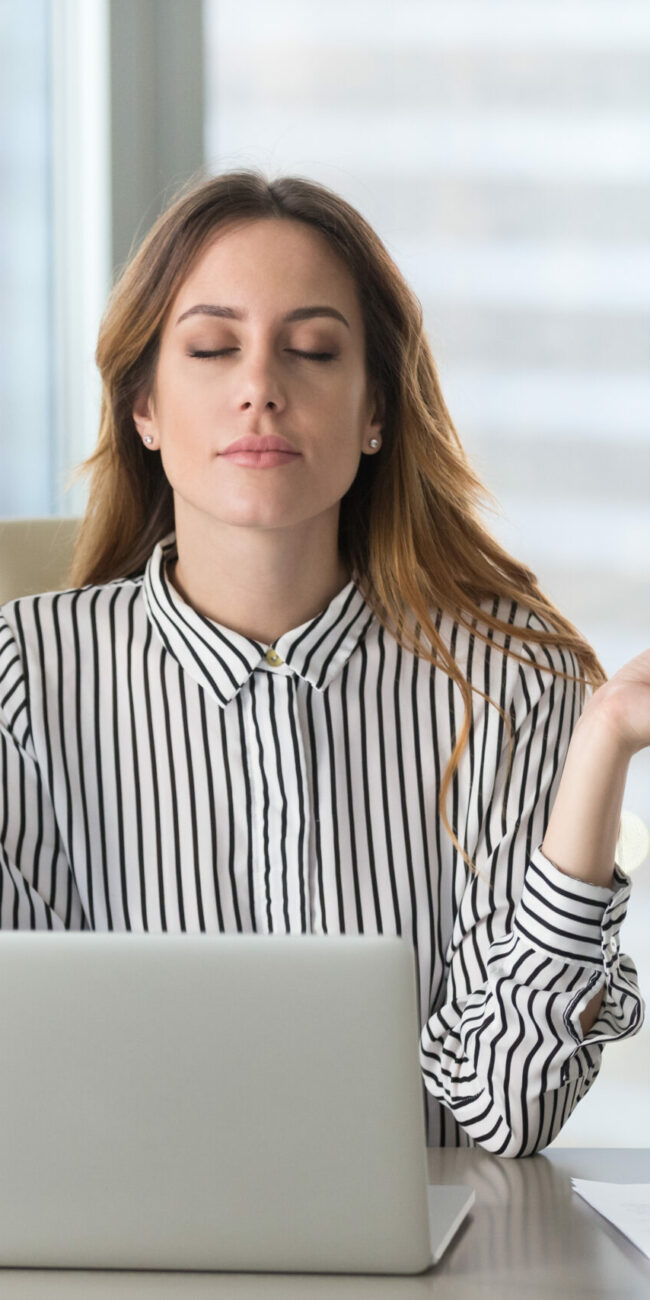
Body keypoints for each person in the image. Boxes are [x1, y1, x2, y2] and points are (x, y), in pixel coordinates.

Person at [0, 169, 646, 1158]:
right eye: (212, 348)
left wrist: (602, 743)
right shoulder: (23, 680)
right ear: (143, 408)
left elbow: (504, 1109)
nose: (259, 384)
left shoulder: (512, 688)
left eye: (310, 349)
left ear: (375, 412)